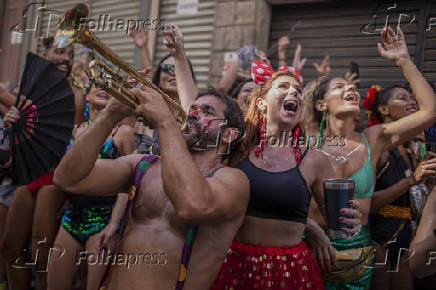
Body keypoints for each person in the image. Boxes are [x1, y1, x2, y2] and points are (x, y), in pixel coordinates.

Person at [53, 85, 250, 289]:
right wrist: (110, 115)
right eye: (193, 109)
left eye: (206, 111)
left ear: (229, 135)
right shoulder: (144, 165)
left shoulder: (233, 181)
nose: (191, 115)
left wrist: (165, 122)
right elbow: (67, 179)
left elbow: (192, 206)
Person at [211, 59, 361, 289]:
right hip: (233, 263)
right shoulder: (236, 147)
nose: (294, 92)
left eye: (299, 91)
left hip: (290, 269)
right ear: (261, 104)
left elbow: (335, 218)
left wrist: (351, 222)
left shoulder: (315, 159)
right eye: (283, 86)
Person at [306, 26, 436, 289]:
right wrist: (310, 229)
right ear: (321, 105)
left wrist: (403, 60)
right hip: (312, 248)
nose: (351, 88)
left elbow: (430, 111)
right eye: (340, 86)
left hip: (359, 254)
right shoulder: (305, 144)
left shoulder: (373, 138)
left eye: (353, 86)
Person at [0, 36, 77, 290]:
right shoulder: (30, 90)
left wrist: (11, 104)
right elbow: (26, 134)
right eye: (60, 52)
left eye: (70, 55)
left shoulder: (74, 95)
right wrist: (13, 121)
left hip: (54, 179)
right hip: (30, 174)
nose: (66, 59)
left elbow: (47, 126)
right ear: (45, 56)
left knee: (40, 258)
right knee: (10, 248)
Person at [47, 85, 134, 290]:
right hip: (71, 218)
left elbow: (128, 184)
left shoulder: (124, 133)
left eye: (111, 87)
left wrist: (114, 224)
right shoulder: (76, 130)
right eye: (98, 85)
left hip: (103, 221)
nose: (104, 89)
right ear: (87, 95)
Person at [363, 85, 436, 290]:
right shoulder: (377, 148)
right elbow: (367, 203)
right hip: (380, 241)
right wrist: (412, 179)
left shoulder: (412, 147)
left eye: (411, 98)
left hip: (407, 240)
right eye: (402, 98)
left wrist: (428, 181)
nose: (411, 102)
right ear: (384, 109)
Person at [134, 25, 196, 155]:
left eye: (177, 71)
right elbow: (149, 75)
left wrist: (179, 53)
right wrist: (143, 47)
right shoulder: (147, 112)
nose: (173, 74)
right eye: (168, 68)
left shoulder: (192, 114)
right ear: (159, 78)